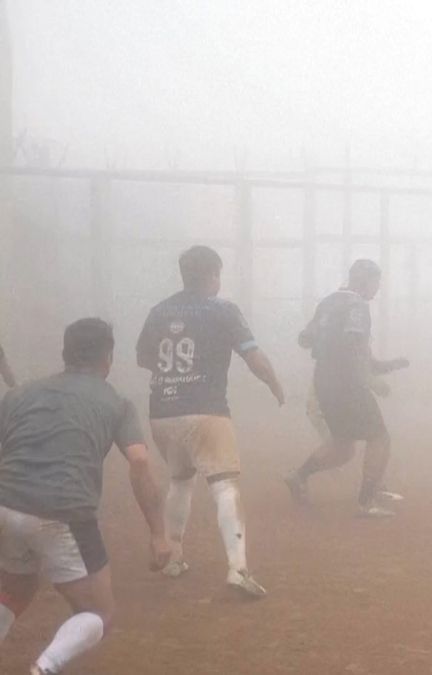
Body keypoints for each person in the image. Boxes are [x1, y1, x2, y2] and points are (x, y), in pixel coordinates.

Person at [0, 318, 170, 675]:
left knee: (16, 588)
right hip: (62, 512)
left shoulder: (18, 395)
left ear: (65, 354)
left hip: (5, 504)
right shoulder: (117, 403)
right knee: (98, 614)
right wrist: (157, 533)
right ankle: (44, 668)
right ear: (108, 357)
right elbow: (139, 461)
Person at [136, 245, 283, 598]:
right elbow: (253, 357)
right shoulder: (223, 310)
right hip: (206, 409)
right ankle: (238, 569)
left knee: (180, 480)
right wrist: (275, 384)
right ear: (213, 275)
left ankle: (173, 558)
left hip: (163, 411)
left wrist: (175, 375)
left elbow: (143, 357)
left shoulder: (159, 310)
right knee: (224, 485)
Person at [286, 260, 409, 518]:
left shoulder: (328, 302)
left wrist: (384, 365)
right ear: (364, 281)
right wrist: (370, 374)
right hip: (347, 381)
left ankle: (299, 476)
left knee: (343, 446)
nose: (377, 290)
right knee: (379, 437)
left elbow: (304, 339)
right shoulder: (358, 305)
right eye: (376, 283)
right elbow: (354, 343)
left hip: (324, 379)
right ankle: (366, 502)